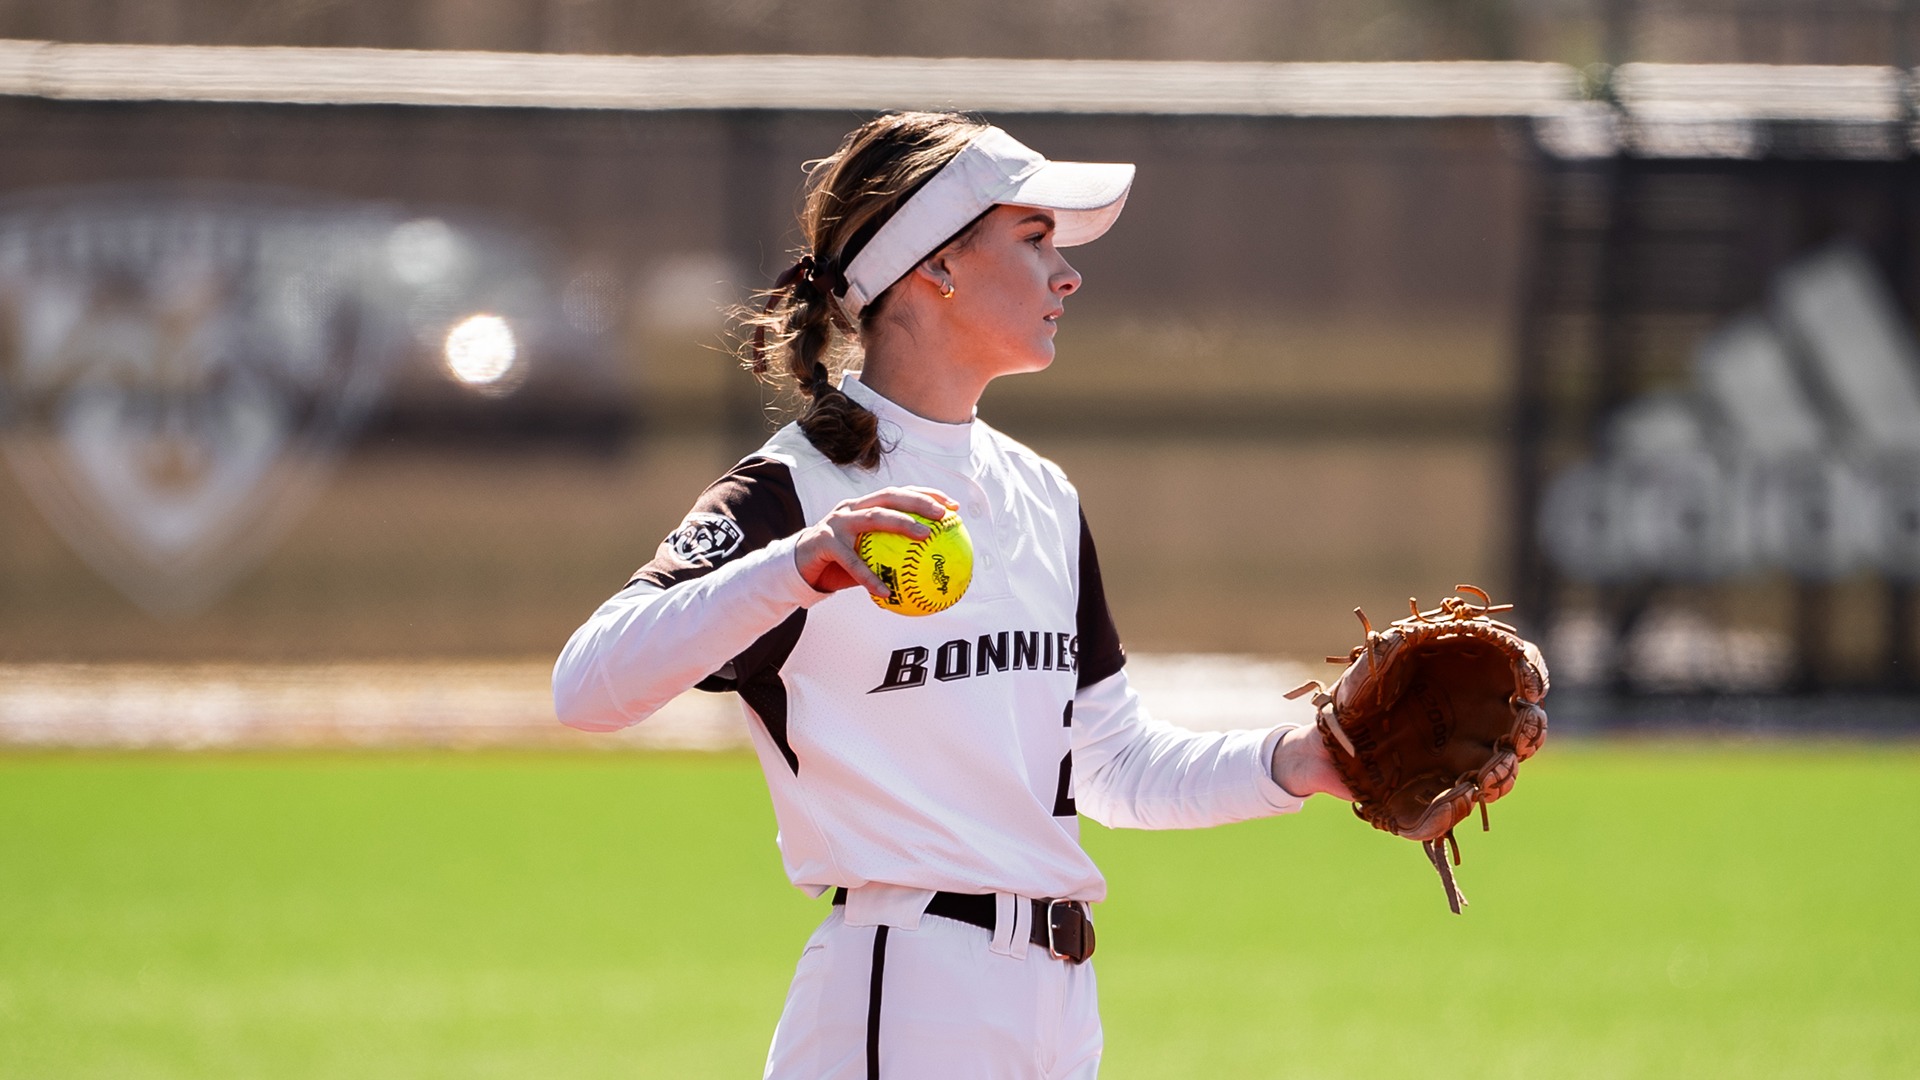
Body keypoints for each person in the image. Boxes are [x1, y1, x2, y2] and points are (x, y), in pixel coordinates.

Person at [553, 111, 1351, 1080]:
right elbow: (587, 687)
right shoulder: (798, 490)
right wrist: (799, 566)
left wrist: (1302, 762)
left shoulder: (1043, 495)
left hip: (1058, 999)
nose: (1069, 275)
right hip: (912, 990)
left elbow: (1112, 766)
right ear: (935, 265)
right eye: (1034, 239)